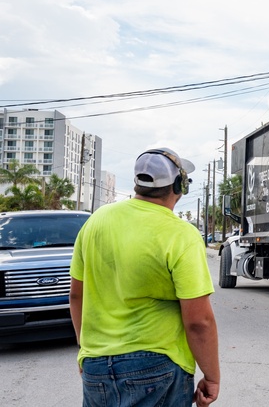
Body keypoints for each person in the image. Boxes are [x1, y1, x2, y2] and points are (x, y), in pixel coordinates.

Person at [70, 148, 220, 407]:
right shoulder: (180, 234)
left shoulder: (96, 221)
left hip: (96, 368)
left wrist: (87, 351)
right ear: (178, 185)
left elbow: (76, 295)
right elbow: (199, 321)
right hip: (156, 366)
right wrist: (212, 377)